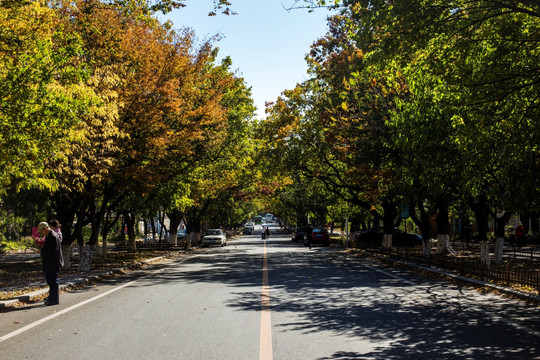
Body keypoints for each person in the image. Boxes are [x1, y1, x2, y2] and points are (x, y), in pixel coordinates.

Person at [37, 222, 64, 306]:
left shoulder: (52, 236)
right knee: (50, 281)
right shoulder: (50, 235)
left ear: (45, 228)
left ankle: (54, 300)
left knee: (53, 281)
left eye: (41, 232)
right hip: (51, 262)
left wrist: (42, 252)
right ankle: (51, 298)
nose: (41, 234)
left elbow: (52, 250)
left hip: (53, 262)